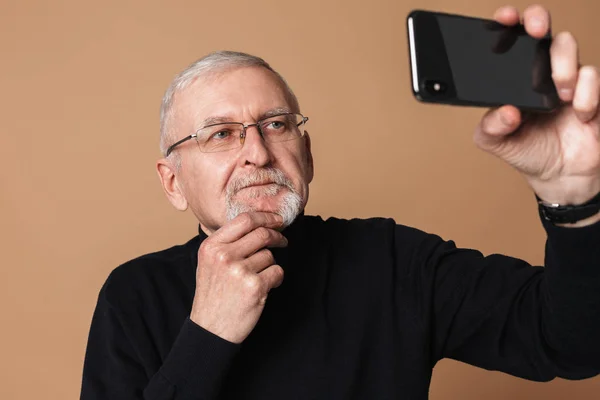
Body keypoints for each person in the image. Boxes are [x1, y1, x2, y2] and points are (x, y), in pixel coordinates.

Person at [80, 4, 600, 399]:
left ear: (305, 155)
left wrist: (574, 200)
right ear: (172, 183)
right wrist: (207, 335)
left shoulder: (393, 261)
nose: (257, 152)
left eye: (276, 124)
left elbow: (571, 342)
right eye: (221, 134)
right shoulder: (133, 297)